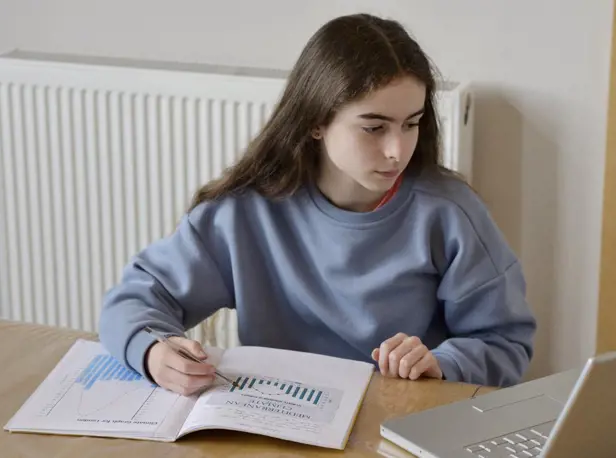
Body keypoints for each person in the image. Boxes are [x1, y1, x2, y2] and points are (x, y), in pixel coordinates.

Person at [98, 13, 536, 396]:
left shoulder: (449, 214)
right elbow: (133, 301)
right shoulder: (242, 215)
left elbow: (505, 341)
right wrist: (153, 352)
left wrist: (442, 364)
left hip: (397, 431)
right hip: (277, 428)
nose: (397, 150)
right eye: (374, 127)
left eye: (411, 123)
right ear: (315, 123)